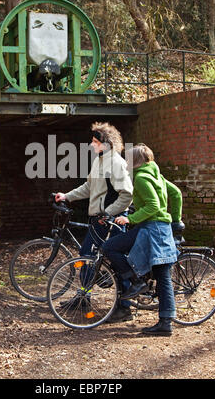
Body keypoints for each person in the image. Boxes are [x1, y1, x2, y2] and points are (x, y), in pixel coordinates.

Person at [55, 121, 134, 321]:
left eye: (94, 141)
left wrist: (108, 214)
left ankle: (125, 307)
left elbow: (127, 195)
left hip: (109, 221)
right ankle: (84, 297)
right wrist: (67, 196)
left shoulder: (116, 163)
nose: (91, 145)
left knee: (115, 261)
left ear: (105, 143)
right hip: (99, 220)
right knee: (86, 255)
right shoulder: (100, 161)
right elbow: (89, 187)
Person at [102, 143, 183, 336]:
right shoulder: (156, 175)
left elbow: (153, 205)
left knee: (111, 247)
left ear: (135, 161)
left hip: (152, 229)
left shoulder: (140, 178)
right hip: (157, 227)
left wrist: (131, 218)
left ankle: (137, 282)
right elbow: (176, 194)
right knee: (162, 275)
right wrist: (176, 221)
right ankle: (163, 319)